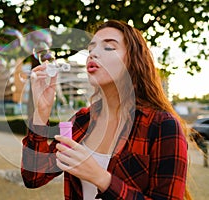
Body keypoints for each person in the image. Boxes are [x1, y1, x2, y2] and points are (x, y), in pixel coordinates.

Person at [21, 20, 190, 199]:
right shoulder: (82, 121)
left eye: (109, 47)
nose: (93, 53)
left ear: (133, 60)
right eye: (91, 48)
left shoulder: (162, 125)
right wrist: (42, 110)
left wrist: (101, 179)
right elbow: (33, 177)